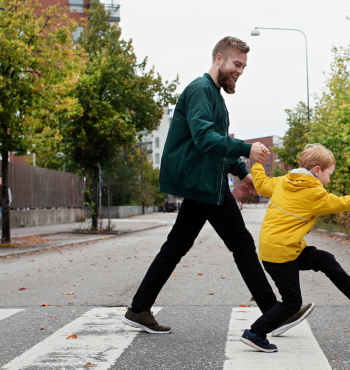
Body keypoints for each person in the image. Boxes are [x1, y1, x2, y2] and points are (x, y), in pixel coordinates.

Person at [123, 36, 313, 335]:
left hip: (203, 181)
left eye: (244, 67)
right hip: (203, 183)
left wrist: (242, 171)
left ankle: (139, 308)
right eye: (237, 64)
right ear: (219, 59)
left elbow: (216, 147)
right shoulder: (201, 90)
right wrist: (246, 150)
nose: (240, 71)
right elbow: (204, 139)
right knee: (242, 244)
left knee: (176, 246)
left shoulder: (214, 96)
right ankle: (274, 312)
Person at [239, 144, 350, 353]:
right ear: (316, 170)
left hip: (282, 248)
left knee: (324, 259)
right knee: (292, 303)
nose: (329, 180)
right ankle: (254, 333)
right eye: (328, 174)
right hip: (282, 254)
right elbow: (342, 203)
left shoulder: (284, 182)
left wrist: (258, 163)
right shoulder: (313, 192)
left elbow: (261, 184)